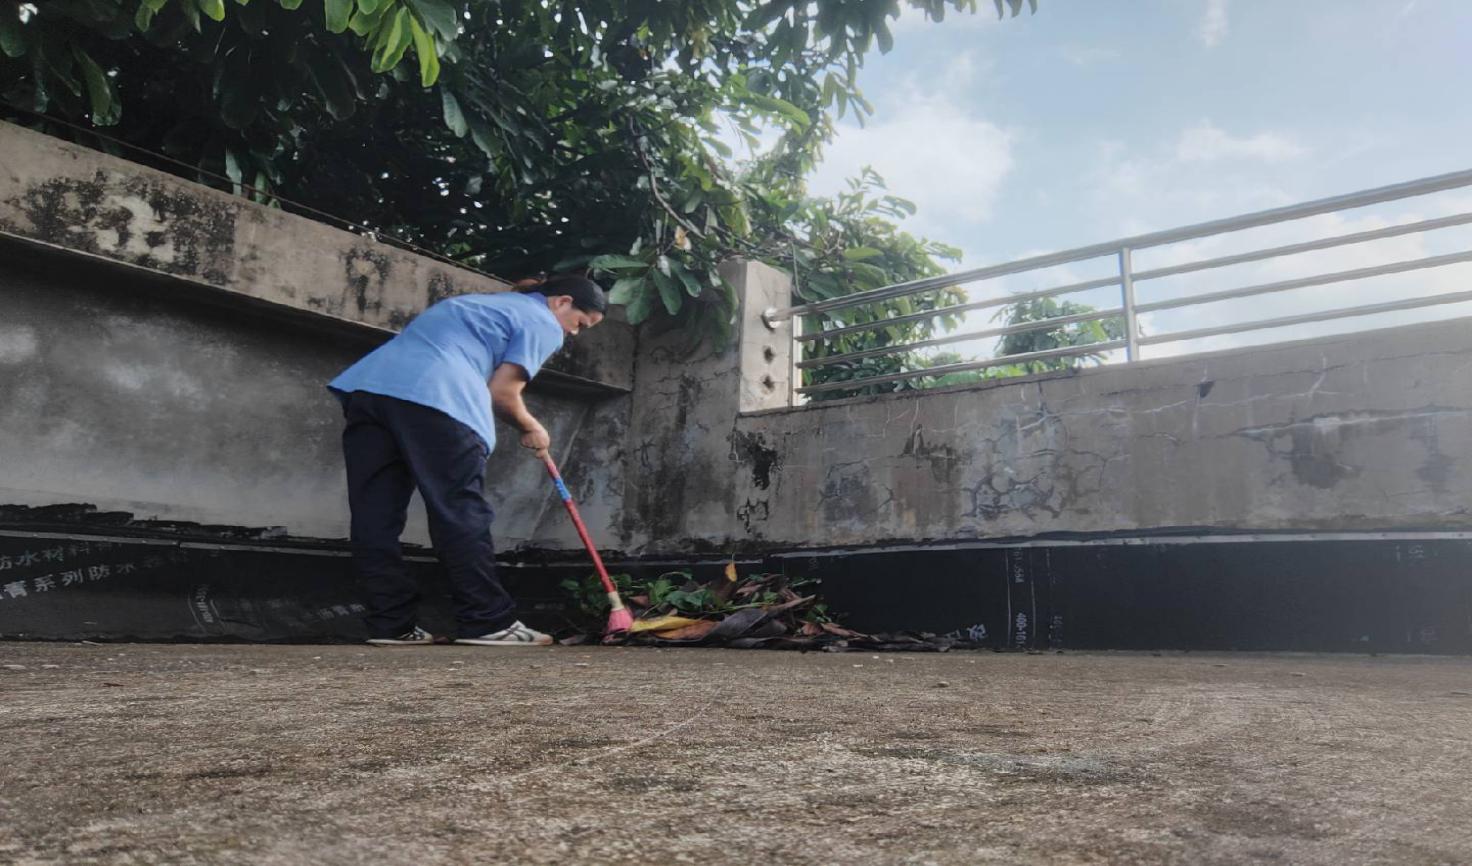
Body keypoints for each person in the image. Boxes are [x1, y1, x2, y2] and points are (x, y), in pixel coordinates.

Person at [326, 274, 606, 647]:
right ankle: (487, 621)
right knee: (459, 510)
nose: (573, 333)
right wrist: (531, 426)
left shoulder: (476, 304)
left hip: (370, 392)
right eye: (580, 323)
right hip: (439, 399)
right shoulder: (541, 320)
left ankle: (391, 625)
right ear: (562, 302)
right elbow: (503, 392)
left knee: (375, 514)